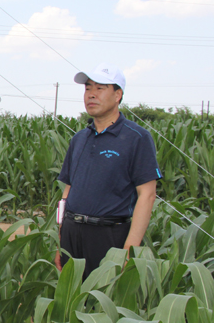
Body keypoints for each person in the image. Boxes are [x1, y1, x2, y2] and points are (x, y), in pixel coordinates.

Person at [55, 63, 161, 279]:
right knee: (69, 304)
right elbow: (68, 191)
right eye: (87, 89)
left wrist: (129, 251)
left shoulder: (136, 138)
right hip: (72, 234)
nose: (91, 95)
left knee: (102, 305)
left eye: (100, 88)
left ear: (117, 95)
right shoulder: (79, 139)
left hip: (108, 237)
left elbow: (147, 195)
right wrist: (61, 240)